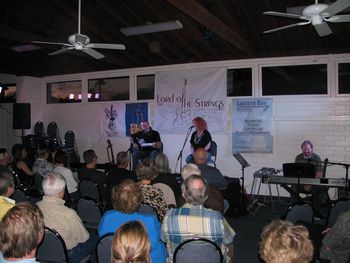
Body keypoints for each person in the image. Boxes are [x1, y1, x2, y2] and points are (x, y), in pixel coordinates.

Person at [162, 174, 235, 263]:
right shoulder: (217, 218)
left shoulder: (169, 216)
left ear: (183, 195)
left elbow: (164, 239)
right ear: (206, 196)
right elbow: (229, 240)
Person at [98, 179, 166, 263]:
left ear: (116, 196)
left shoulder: (107, 217)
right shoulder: (150, 220)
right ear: (139, 198)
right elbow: (159, 241)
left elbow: (101, 238)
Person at [36, 173, 96, 263]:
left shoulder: (33, 208)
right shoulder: (68, 214)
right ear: (62, 191)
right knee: (97, 237)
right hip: (68, 256)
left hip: (41, 252)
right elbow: (84, 238)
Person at [291, 140, 327, 219]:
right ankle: (295, 210)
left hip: (313, 183)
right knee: (293, 188)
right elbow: (296, 173)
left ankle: (316, 213)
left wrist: (310, 184)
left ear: (311, 149)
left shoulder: (317, 158)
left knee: (319, 191)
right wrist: (304, 184)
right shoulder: (298, 157)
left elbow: (319, 174)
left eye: (308, 149)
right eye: (304, 149)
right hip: (301, 183)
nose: (306, 151)